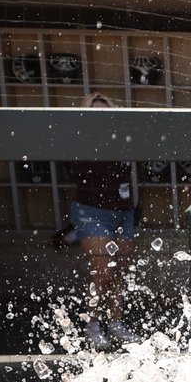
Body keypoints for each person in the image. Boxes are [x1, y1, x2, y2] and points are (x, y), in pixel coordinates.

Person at [71, 94, 139, 352]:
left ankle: (116, 323)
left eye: (105, 111)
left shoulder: (122, 139)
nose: (100, 117)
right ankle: (92, 323)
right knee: (104, 270)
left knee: (119, 271)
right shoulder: (80, 140)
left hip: (123, 211)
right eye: (93, 112)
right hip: (92, 211)